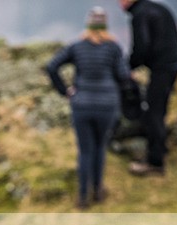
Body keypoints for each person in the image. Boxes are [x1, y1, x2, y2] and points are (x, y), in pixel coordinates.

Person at [46, 7, 130, 209]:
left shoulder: (77, 46)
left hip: (82, 104)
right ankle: (98, 190)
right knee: (100, 147)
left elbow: (52, 66)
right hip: (107, 104)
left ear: (88, 24)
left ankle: (83, 196)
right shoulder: (113, 48)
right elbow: (123, 75)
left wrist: (65, 90)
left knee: (85, 151)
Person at [119, 0, 177, 176]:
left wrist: (127, 68)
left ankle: (155, 162)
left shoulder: (140, 14)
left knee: (153, 111)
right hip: (173, 64)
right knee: (159, 109)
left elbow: (141, 46)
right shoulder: (158, 8)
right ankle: (160, 148)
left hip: (162, 68)